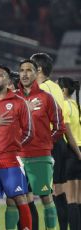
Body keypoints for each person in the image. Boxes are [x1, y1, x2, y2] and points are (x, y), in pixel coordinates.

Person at [30, 52, 81, 230]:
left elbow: (42, 118)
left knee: (50, 192)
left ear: (38, 69)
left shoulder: (44, 89)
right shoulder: (56, 88)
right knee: (59, 191)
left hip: (48, 142)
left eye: (30, 68)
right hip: (59, 143)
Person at [16, 59, 65, 230]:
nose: (24, 74)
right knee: (21, 199)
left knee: (46, 198)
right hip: (18, 158)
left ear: (37, 73)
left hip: (40, 157)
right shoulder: (13, 98)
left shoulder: (46, 98)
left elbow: (59, 126)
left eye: (29, 70)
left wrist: (46, 143)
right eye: (21, 70)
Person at [0, 64, 33, 230]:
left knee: (19, 198)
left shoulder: (19, 103)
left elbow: (28, 132)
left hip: (10, 160)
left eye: (0, 75)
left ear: (7, 80)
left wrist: (14, 147)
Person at [56, 77, 81, 229]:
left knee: (70, 198)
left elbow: (68, 132)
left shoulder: (64, 104)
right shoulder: (76, 105)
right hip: (79, 151)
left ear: (64, 90)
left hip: (72, 153)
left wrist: (77, 152)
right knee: (78, 198)